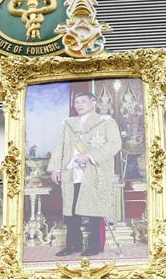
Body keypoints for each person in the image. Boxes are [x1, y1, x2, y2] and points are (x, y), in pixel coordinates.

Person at [50, 89, 123, 258]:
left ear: (93, 103)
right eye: (76, 103)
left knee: (93, 211)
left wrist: (89, 156)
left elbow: (115, 144)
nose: (79, 105)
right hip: (71, 173)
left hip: (94, 173)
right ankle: (73, 245)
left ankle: (95, 246)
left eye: (83, 102)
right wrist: (55, 168)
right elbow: (59, 147)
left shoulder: (105, 121)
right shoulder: (68, 124)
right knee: (71, 211)